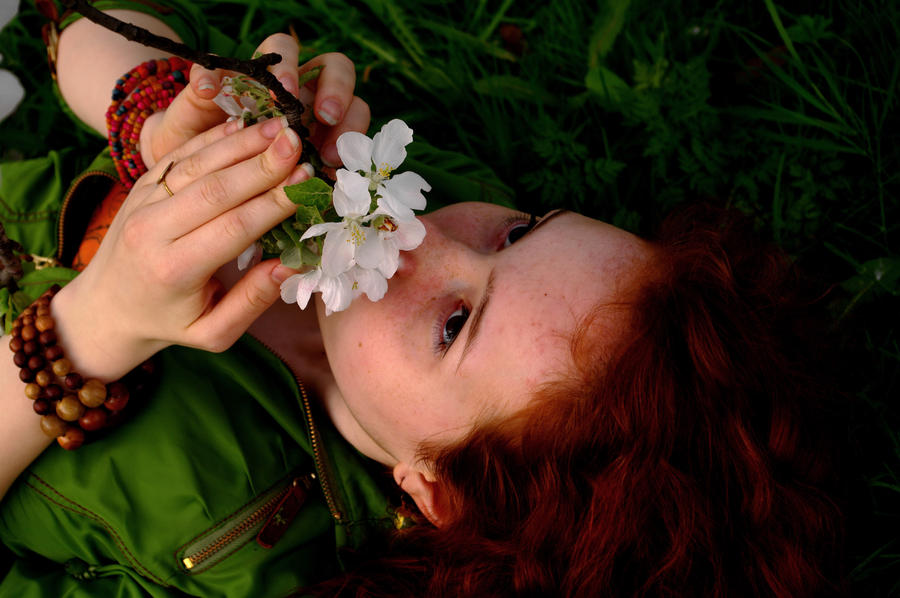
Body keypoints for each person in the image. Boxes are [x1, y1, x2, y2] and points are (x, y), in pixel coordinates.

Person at [0, 3, 842, 597]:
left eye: (453, 325)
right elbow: (85, 23)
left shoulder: (235, 558)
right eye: (520, 230)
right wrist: (166, 117)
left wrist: (92, 330)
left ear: (435, 489)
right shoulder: (404, 200)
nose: (419, 233)